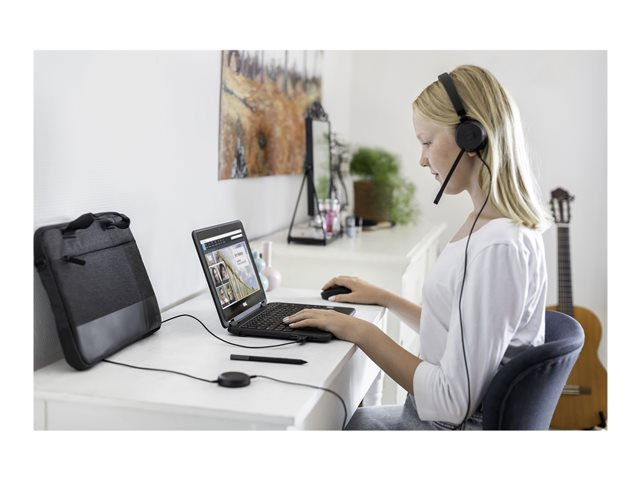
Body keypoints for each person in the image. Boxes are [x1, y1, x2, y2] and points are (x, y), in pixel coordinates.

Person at [282, 65, 551, 430]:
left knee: (312, 426)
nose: (422, 159)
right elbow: (457, 333)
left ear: (472, 138)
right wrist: (385, 298)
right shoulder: (487, 226)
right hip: (434, 421)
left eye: (426, 142)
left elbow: (450, 401)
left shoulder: (498, 247)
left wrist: (359, 331)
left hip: (442, 428)